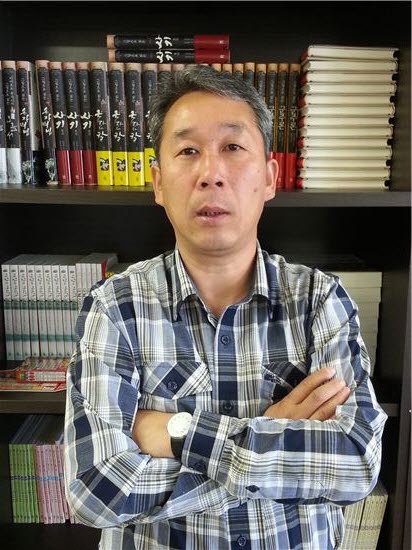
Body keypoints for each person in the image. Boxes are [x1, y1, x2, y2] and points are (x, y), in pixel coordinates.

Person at [64, 65, 387, 550]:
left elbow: (355, 463)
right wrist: (272, 438)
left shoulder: (319, 300)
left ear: (270, 177)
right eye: (188, 151)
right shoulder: (115, 307)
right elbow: (97, 490)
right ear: (158, 183)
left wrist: (177, 431)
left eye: (233, 147)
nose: (210, 174)